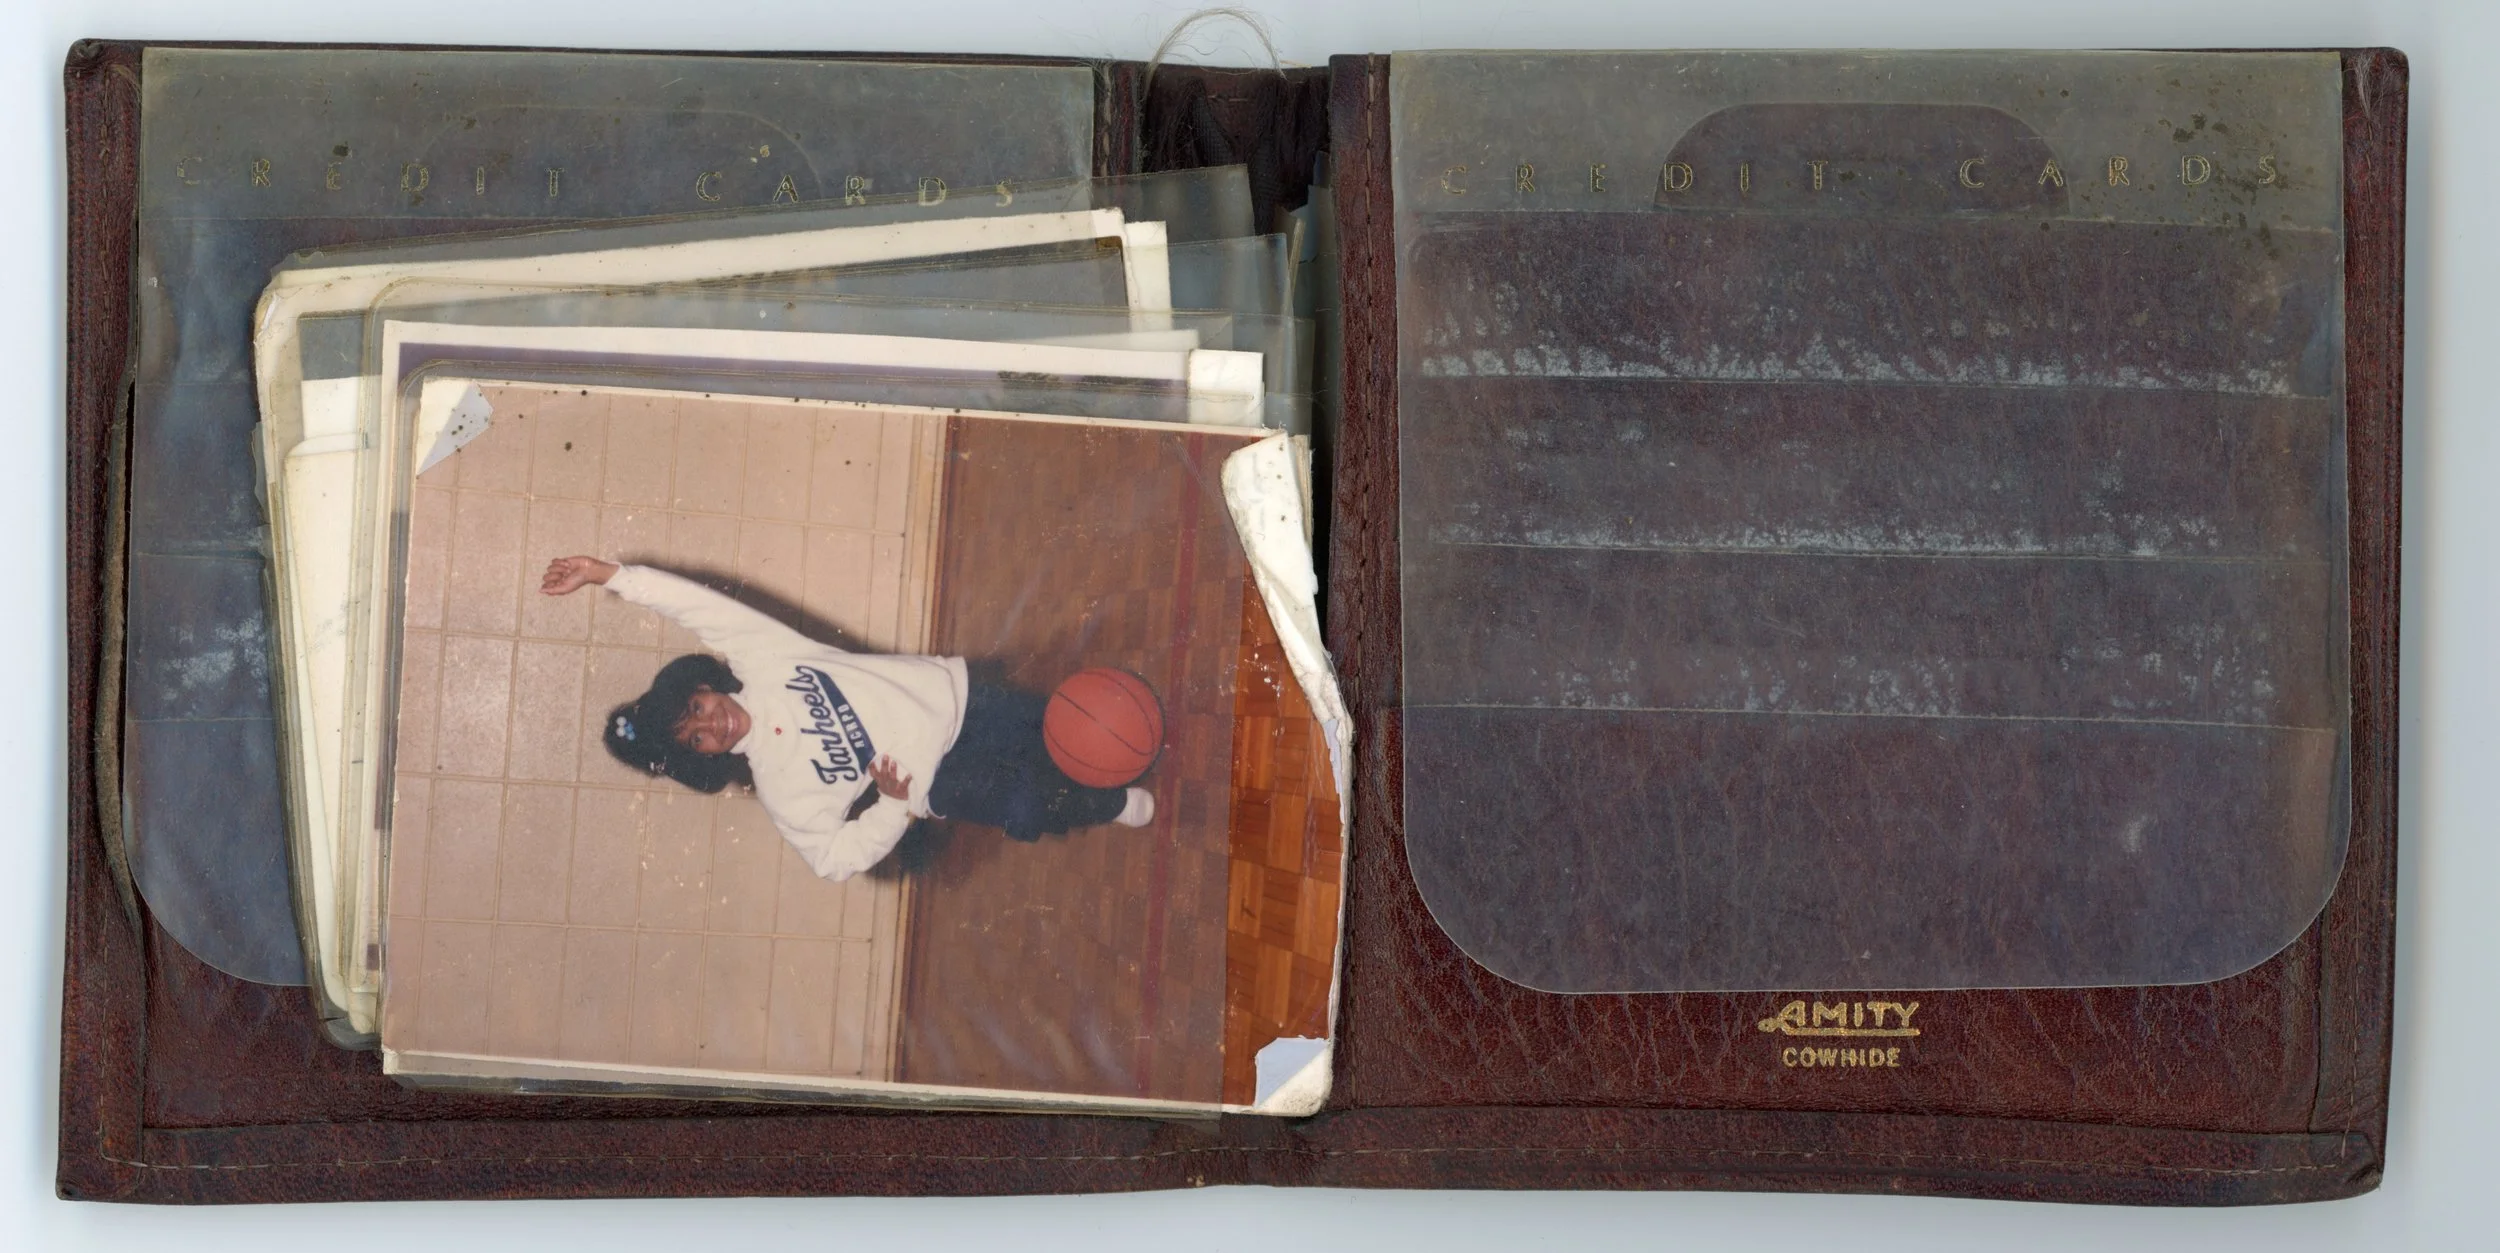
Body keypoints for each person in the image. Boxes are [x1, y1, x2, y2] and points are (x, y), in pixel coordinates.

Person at [540, 555, 1154, 882]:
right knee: (1025, 810)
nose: (714, 726)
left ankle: (1101, 761)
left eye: (699, 710)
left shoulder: (765, 659)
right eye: (697, 739)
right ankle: (1107, 805)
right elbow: (832, 861)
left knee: (1072, 732)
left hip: (960, 699)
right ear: (701, 756)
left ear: (703, 686)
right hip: (935, 782)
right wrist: (890, 806)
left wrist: (608, 575)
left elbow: (695, 606)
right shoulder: (782, 788)